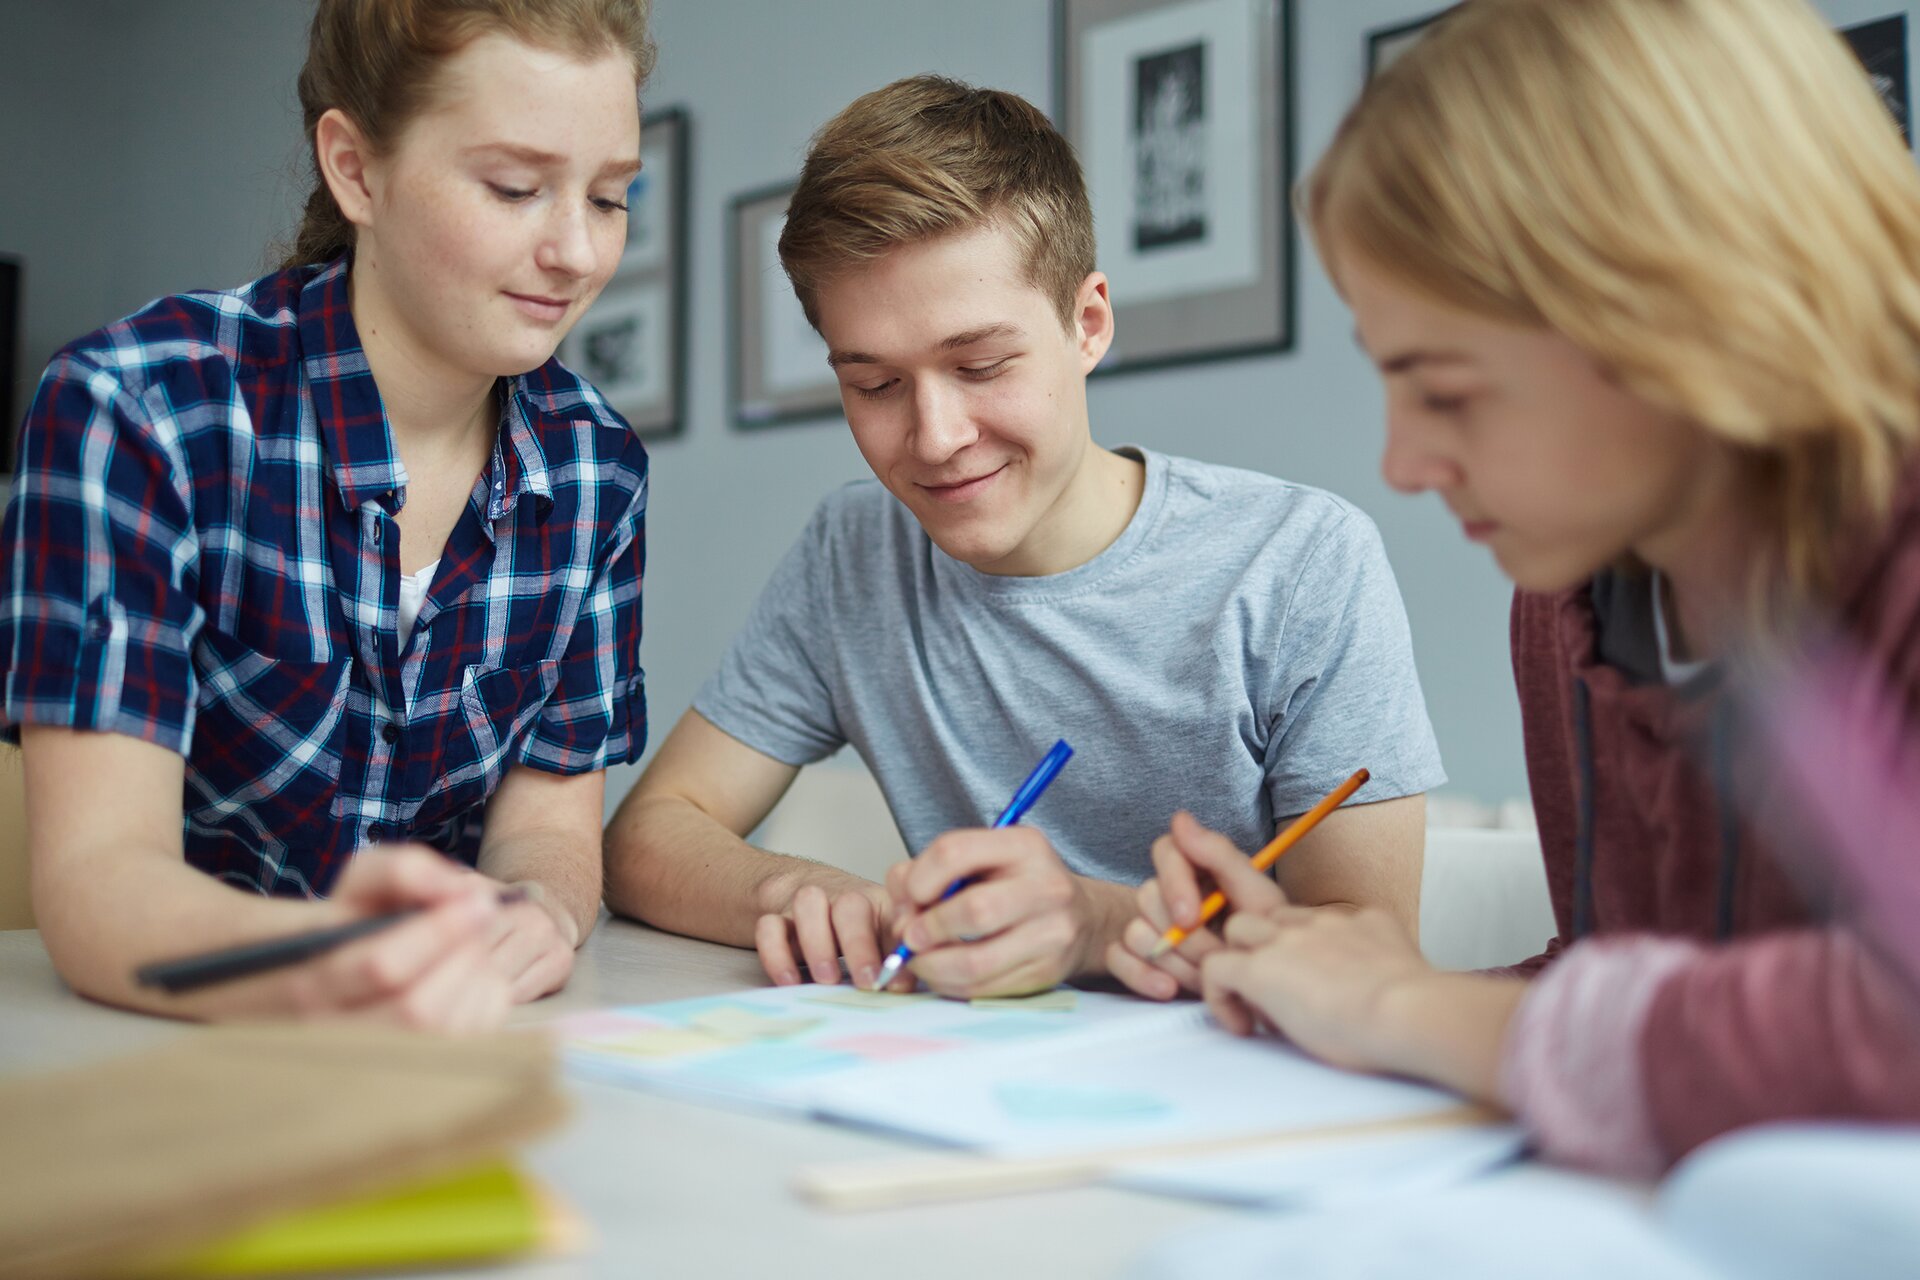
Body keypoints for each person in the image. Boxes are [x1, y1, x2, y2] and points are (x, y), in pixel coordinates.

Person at [1178, 0, 1920, 1174]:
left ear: (1687, 313)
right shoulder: (1574, 599)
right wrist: (1348, 986)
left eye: (1449, 389)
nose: (1402, 464)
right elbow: (1642, 984)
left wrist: (1413, 1012)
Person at [603, 75, 1444, 999]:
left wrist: (1095, 925)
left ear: (1087, 325)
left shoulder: (1300, 561)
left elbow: (1371, 949)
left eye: (981, 365)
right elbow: (650, 833)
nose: (935, 437)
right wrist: (796, 887)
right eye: (874, 385)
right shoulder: (854, 551)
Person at [0, 0, 655, 1027]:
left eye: (613, 197)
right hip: (168, 1049)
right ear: (355, 168)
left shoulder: (597, 469)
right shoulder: (136, 408)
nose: (576, 251)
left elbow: (550, 832)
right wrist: (345, 962)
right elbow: (99, 883)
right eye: (517, 187)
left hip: (453, 1046)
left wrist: (537, 912)